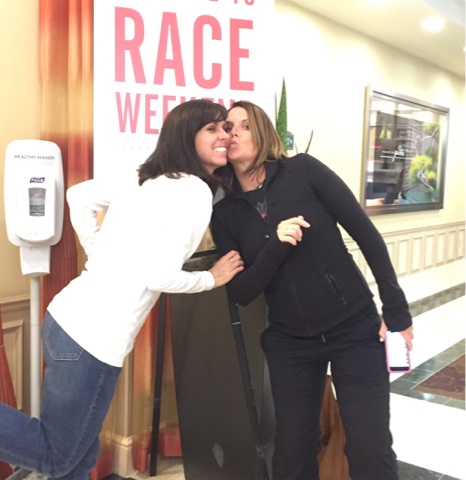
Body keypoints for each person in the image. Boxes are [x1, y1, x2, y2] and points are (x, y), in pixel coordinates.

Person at [0, 99, 244, 480]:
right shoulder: (194, 192)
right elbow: (159, 277)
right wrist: (210, 278)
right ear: (186, 136)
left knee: (80, 455)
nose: (224, 136)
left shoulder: (147, 175)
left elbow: (78, 197)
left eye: (225, 128)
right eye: (211, 129)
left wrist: (98, 251)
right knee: (59, 457)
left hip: (64, 322)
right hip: (91, 341)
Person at [211, 100, 414, 480]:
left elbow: (365, 232)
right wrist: (275, 247)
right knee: (292, 454)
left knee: (369, 448)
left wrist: (396, 309)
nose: (233, 132)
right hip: (290, 342)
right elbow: (241, 292)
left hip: (353, 327)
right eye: (227, 127)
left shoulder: (302, 170)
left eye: (244, 125)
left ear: (263, 132)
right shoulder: (225, 213)